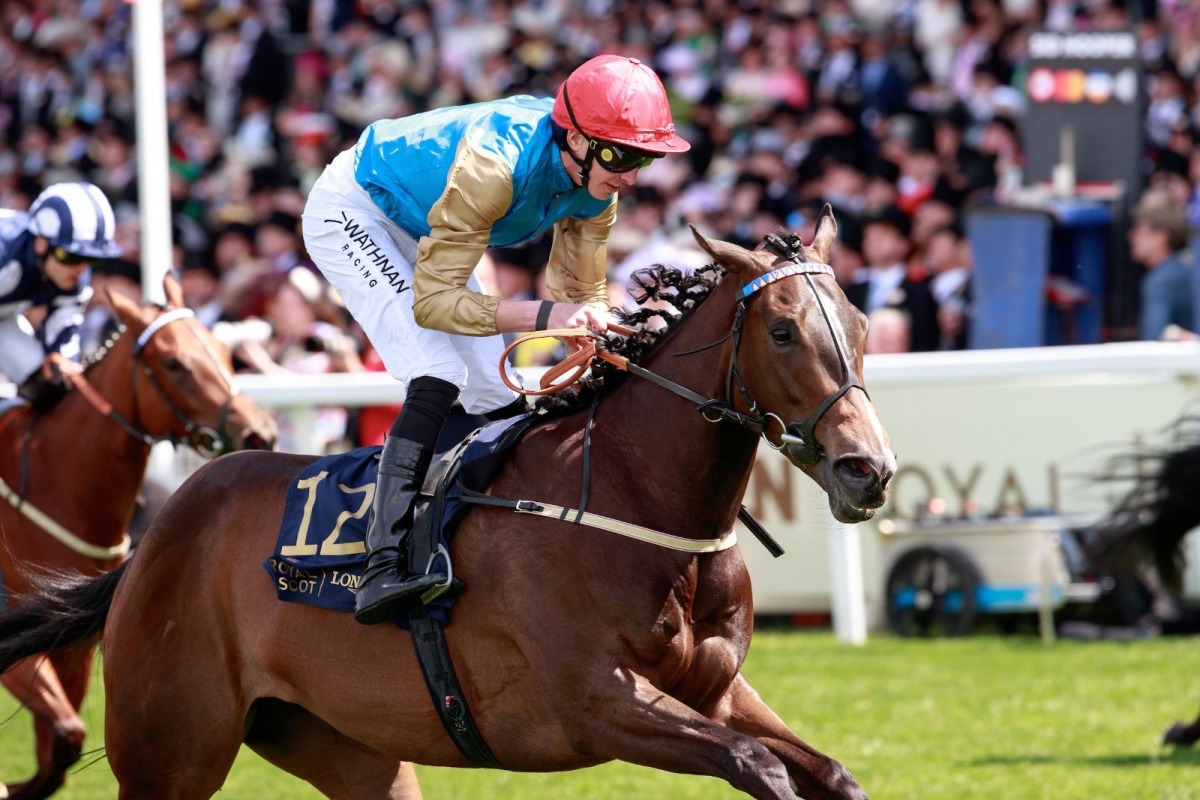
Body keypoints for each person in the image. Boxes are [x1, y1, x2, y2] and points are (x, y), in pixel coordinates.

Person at [301, 54, 690, 624]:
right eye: (621, 156)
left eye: (644, 159)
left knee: (493, 390)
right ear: (577, 139)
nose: (632, 175)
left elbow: (581, 292)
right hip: (355, 209)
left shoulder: (597, 187)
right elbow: (435, 304)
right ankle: (382, 564)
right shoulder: (495, 166)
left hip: (427, 227)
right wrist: (550, 315)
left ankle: (476, 538)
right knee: (438, 371)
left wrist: (596, 333)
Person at [0, 182, 121, 410]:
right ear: (41, 243)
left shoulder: (75, 279)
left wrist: (62, 364)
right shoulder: (4, 249)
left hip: (3, 318)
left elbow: (62, 344)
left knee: (46, 382)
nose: (80, 269)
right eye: (71, 256)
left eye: (91, 259)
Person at [1128, 205, 1195, 341]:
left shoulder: (1162, 280)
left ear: (1161, 236)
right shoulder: (1180, 268)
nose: (1131, 237)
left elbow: (1153, 337)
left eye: (1139, 232)